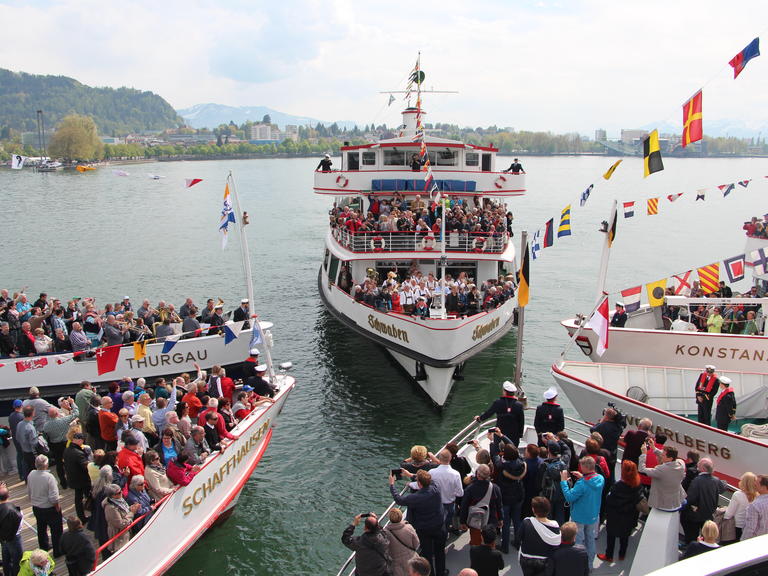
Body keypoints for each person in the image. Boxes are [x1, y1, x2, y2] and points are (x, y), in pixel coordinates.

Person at [390, 469, 446, 576]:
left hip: (425, 530)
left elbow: (399, 500)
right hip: (439, 526)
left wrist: (392, 485)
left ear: (419, 484)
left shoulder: (415, 497)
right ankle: (441, 573)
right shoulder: (436, 487)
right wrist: (411, 475)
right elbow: (429, 480)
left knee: (427, 555)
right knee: (440, 552)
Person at [560, 457, 604, 569]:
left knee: (578, 541)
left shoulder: (582, 484)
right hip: (593, 515)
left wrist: (563, 482)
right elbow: (590, 483)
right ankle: (589, 565)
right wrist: (582, 477)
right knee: (590, 539)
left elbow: (569, 497)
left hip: (579, 516)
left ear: (585, 467)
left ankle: (578, 566)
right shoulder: (600, 478)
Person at [598, 460, 643, 563]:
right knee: (625, 537)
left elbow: (609, 500)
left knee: (611, 536)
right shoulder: (638, 484)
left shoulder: (618, 486)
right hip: (629, 516)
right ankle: (622, 554)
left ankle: (609, 556)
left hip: (615, 515)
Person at [681, 458, 727, 544]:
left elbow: (690, 498)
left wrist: (682, 507)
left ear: (702, 468)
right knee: (706, 537)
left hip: (694, 515)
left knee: (691, 537)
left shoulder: (697, 481)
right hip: (708, 514)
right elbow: (722, 488)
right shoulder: (716, 481)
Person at [27, 455, 63, 557]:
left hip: (37, 507)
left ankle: (44, 547)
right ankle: (58, 551)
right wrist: (57, 506)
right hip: (49, 507)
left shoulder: (31, 474)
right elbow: (54, 496)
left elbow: (29, 491)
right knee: (56, 530)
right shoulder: (49, 477)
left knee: (41, 528)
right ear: (46, 465)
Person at [518, 496, 561, 576]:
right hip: (545, 561)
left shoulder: (526, 522)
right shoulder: (555, 526)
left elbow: (519, 538)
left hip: (526, 559)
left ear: (533, 510)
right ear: (548, 510)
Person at [475, 381, 525, 447]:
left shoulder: (498, 403)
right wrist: (520, 434)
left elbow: (488, 413)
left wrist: (479, 419)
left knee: (498, 451)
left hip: (499, 433)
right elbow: (521, 421)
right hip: (514, 435)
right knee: (513, 452)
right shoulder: (519, 405)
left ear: (504, 391)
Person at [638, 442, 686, 511]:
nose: (661, 456)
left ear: (670, 458)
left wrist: (644, 454)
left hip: (663, 504)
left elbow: (641, 470)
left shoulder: (661, 469)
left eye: (663, 455)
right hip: (675, 501)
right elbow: (665, 455)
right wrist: (654, 448)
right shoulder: (681, 464)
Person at [341, 512, 391, 576]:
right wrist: (375, 521)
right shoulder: (383, 538)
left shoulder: (359, 542)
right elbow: (381, 530)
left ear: (365, 528)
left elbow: (345, 539)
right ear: (377, 526)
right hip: (380, 572)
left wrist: (353, 524)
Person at [428, 449, 463, 534]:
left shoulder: (432, 472)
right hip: (450, 505)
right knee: (446, 524)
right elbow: (460, 493)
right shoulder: (455, 474)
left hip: (436, 504)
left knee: (436, 524)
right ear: (450, 459)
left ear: (439, 459)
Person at [103, 483, 140, 553]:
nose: (121, 493)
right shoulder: (110, 508)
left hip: (127, 532)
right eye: (119, 492)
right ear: (113, 495)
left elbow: (125, 511)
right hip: (120, 537)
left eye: (121, 491)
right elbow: (120, 523)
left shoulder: (120, 500)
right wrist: (132, 512)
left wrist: (131, 508)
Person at [723, 472, 759, 543]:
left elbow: (728, 514)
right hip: (748, 528)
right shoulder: (757, 496)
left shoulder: (738, 494)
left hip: (735, 526)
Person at [63, 433, 91, 524]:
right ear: (79, 440)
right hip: (82, 479)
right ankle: (92, 514)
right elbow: (86, 466)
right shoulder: (78, 453)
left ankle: (81, 517)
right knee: (89, 496)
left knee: (78, 499)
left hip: (72, 478)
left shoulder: (67, 450)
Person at [0, 482, 23, 576]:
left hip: (3, 539)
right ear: (8, 495)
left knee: (6, 558)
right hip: (14, 538)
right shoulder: (14, 511)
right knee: (17, 559)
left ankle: (7, 573)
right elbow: (19, 524)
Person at [742, 474, 768, 540]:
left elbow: (750, 529)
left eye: (756, 484)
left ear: (763, 487)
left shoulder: (755, 505)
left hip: (755, 542)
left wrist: (742, 542)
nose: (754, 484)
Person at [16, 405, 38, 482]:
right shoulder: (30, 427)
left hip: (24, 451)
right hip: (32, 452)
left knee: (27, 470)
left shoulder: (19, 424)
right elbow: (34, 443)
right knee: (35, 472)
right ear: (32, 413)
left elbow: (18, 438)